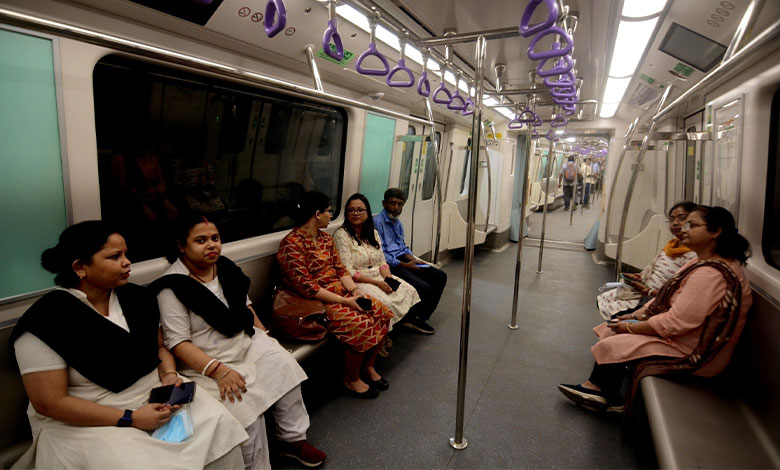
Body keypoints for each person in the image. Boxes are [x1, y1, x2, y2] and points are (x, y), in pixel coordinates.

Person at [10, 221, 247, 469]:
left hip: (154, 399)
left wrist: (168, 376)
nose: (127, 262)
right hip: (94, 418)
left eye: (125, 254)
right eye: (115, 257)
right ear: (80, 267)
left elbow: (159, 348)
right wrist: (131, 418)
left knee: (219, 424)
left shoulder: (136, 298)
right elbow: (49, 403)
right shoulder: (46, 319)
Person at [153, 215, 326, 469]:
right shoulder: (171, 288)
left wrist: (266, 337)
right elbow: (178, 343)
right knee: (242, 404)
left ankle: (292, 440)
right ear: (181, 246)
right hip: (207, 357)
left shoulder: (225, 268)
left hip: (243, 338)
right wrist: (219, 371)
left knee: (284, 365)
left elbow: (246, 308)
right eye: (201, 241)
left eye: (215, 238)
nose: (211, 245)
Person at [558, 206, 753, 413]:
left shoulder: (711, 275)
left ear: (716, 232)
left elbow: (676, 323)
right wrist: (634, 316)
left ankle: (601, 391)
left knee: (619, 338)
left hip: (693, 350)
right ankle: (603, 390)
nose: (684, 229)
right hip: (687, 338)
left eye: (692, 225)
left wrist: (632, 328)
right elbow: (665, 297)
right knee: (614, 325)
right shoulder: (701, 262)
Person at [277, 191, 393, 398]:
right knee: (361, 324)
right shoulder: (291, 245)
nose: (331, 216)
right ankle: (351, 378)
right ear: (317, 214)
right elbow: (308, 288)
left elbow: (340, 270)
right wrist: (347, 301)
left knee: (382, 312)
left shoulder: (324, 239)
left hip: (339, 291)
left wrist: (355, 291)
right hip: (315, 301)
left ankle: (368, 366)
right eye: (329, 212)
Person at [333, 193, 421, 331]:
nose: (356, 213)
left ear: (367, 212)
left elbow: (382, 262)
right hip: (359, 279)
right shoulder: (341, 235)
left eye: (360, 210)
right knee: (386, 302)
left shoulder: (373, 233)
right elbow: (347, 270)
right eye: (351, 210)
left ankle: (399, 324)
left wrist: (389, 279)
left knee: (407, 290)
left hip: (379, 275)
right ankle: (384, 335)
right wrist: (378, 283)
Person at [597, 202, 698, 320]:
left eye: (682, 218)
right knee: (604, 298)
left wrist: (647, 291)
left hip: (656, 298)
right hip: (644, 291)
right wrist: (639, 277)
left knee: (611, 309)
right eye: (672, 219)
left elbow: (678, 292)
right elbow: (656, 271)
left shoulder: (692, 255)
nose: (675, 223)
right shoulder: (671, 246)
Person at [374, 188, 448, 335]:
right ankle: (412, 318)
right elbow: (381, 253)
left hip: (404, 260)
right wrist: (404, 265)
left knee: (440, 276)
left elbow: (402, 247)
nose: (396, 208)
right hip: (390, 265)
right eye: (392, 203)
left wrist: (414, 260)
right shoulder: (376, 223)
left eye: (400, 204)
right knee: (424, 287)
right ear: (384, 203)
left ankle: (420, 316)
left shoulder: (398, 224)